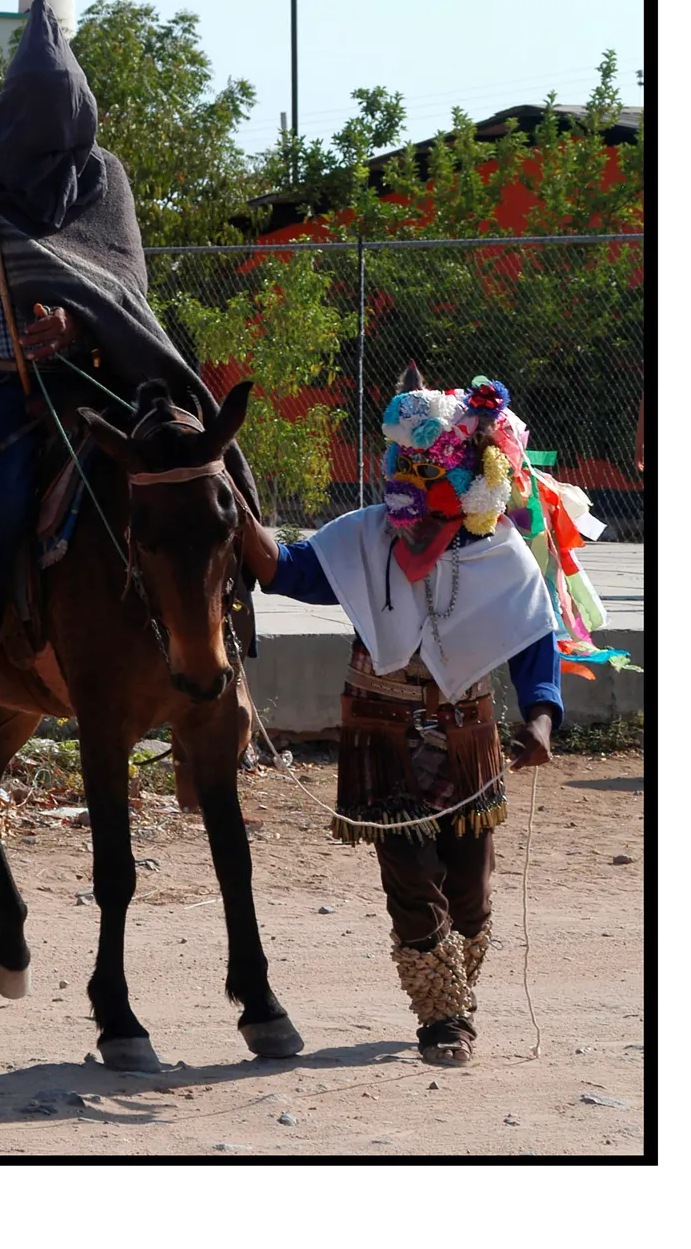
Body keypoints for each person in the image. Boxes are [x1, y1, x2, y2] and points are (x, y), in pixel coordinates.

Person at [0, 0, 260, 687]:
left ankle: (231, 632)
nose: (53, 153)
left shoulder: (102, 178)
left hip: (92, 378)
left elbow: (120, 287)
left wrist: (77, 321)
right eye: (39, 137)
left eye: (65, 136)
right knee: (8, 498)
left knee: (199, 479)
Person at [242, 368, 563, 1068]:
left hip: (470, 738)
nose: (417, 482)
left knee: (472, 894)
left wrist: (540, 717)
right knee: (412, 880)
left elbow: (534, 636)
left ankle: (451, 986)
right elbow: (288, 569)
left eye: (433, 467)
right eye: (410, 466)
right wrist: (235, 508)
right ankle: (443, 1020)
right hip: (380, 737)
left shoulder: (501, 553)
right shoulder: (366, 537)